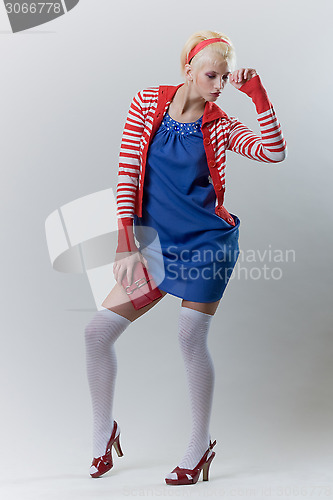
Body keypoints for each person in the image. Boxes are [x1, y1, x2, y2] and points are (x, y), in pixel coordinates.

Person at [84, 29, 287, 486]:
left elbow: (274, 153)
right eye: (211, 75)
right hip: (155, 245)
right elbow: (127, 175)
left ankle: (199, 445)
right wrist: (126, 245)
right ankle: (103, 434)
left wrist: (259, 97)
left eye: (225, 77)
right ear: (189, 69)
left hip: (207, 245)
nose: (218, 85)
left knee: (189, 337)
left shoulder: (222, 125)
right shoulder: (146, 104)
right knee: (97, 333)